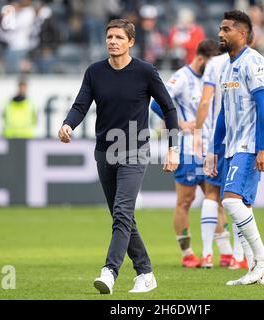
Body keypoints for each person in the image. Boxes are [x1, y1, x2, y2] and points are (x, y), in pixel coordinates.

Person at [58, 19, 179, 294]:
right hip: (105, 151)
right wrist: (68, 124)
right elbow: (80, 104)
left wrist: (173, 148)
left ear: (131, 42)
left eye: (119, 37)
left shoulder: (146, 72)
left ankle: (110, 271)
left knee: (122, 212)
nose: (113, 41)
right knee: (120, 215)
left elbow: (169, 109)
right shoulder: (95, 72)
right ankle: (145, 272)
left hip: (135, 150)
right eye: (109, 37)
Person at [205, 10, 264, 286]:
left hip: (249, 144)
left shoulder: (255, 62)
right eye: (220, 29)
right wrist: (213, 149)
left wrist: (262, 147)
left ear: (242, 34)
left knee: (231, 201)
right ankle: (255, 272)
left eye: (226, 29)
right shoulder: (226, 66)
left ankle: (262, 257)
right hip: (233, 146)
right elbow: (223, 113)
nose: (220, 34)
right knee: (241, 205)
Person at [150, 39, 234, 269]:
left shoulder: (217, 77)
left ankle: (225, 252)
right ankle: (187, 252)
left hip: (211, 148)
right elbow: (157, 103)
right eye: (212, 62)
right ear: (200, 59)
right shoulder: (182, 78)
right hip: (187, 150)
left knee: (216, 198)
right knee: (185, 202)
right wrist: (179, 124)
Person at [192, 51, 248, 271]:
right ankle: (237, 256)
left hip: (218, 137)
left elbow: (206, 101)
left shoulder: (214, 64)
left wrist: (198, 132)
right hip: (243, 140)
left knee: (211, 194)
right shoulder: (251, 60)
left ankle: (207, 255)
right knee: (239, 198)